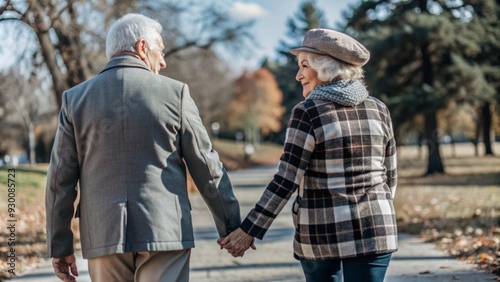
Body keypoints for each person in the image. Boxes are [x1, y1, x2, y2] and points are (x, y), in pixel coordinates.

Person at [45, 13, 241, 282]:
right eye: (160, 51)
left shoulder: (74, 100)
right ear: (141, 47)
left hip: (104, 236)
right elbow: (206, 166)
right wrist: (231, 226)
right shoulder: (176, 94)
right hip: (165, 233)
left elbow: (59, 181)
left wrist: (60, 246)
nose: (163, 61)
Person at [221, 28, 398, 282]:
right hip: (376, 228)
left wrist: (249, 230)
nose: (298, 75)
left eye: (304, 66)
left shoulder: (308, 111)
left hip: (322, 232)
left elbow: (285, 180)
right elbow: (390, 177)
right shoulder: (379, 109)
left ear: (325, 67)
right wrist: (377, 210)